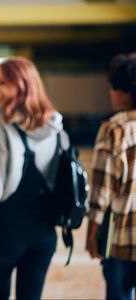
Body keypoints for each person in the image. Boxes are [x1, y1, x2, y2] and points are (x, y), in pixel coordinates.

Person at [0, 57, 67, 299]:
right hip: (45, 234)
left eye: (2, 83)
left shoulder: (1, 128)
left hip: (5, 233)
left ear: (22, 85)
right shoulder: (57, 128)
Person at [86, 53, 136, 300]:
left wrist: (92, 232)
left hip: (120, 239)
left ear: (124, 90)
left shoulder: (114, 129)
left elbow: (101, 189)